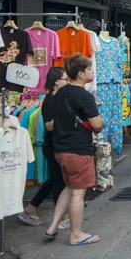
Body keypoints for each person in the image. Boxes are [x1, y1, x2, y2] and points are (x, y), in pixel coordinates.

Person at [43, 54, 104, 246]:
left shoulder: (61, 93)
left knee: (68, 188)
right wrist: (99, 120)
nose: (92, 72)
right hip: (78, 149)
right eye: (89, 69)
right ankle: (76, 234)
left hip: (60, 149)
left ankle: (53, 226)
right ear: (80, 73)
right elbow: (97, 124)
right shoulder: (84, 95)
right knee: (79, 192)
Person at [19, 68, 69, 228]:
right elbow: (48, 126)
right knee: (58, 181)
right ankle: (60, 217)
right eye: (65, 79)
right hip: (51, 145)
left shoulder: (61, 97)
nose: (67, 82)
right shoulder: (49, 101)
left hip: (59, 143)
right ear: (56, 81)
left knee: (54, 180)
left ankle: (31, 208)